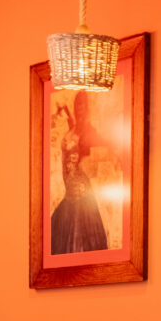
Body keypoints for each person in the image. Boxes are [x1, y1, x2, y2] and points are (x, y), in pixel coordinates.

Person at [49, 92, 111, 254]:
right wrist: (66, 111)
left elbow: (98, 142)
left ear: (87, 108)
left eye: (82, 105)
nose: (79, 108)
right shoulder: (74, 128)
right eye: (77, 105)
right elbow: (72, 132)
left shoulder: (87, 131)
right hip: (69, 192)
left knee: (77, 236)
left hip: (80, 191)